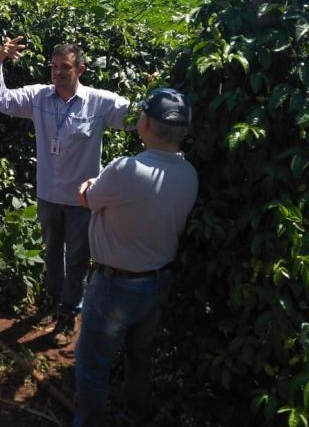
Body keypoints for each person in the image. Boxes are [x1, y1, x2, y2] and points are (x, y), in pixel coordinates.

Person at [0, 38, 130, 346]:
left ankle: (68, 313)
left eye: (65, 67)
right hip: (49, 195)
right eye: (54, 67)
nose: (58, 73)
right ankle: (56, 301)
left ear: (81, 68)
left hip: (81, 200)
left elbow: (134, 119)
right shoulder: (39, 97)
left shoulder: (99, 102)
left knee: (78, 258)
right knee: (53, 253)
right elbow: (0, 100)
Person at [74, 88, 198, 426]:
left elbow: (88, 197)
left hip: (116, 284)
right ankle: (135, 416)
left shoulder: (127, 169)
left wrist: (88, 185)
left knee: (93, 362)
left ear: (144, 123)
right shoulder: (189, 174)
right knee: (140, 356)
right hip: (157, 280)